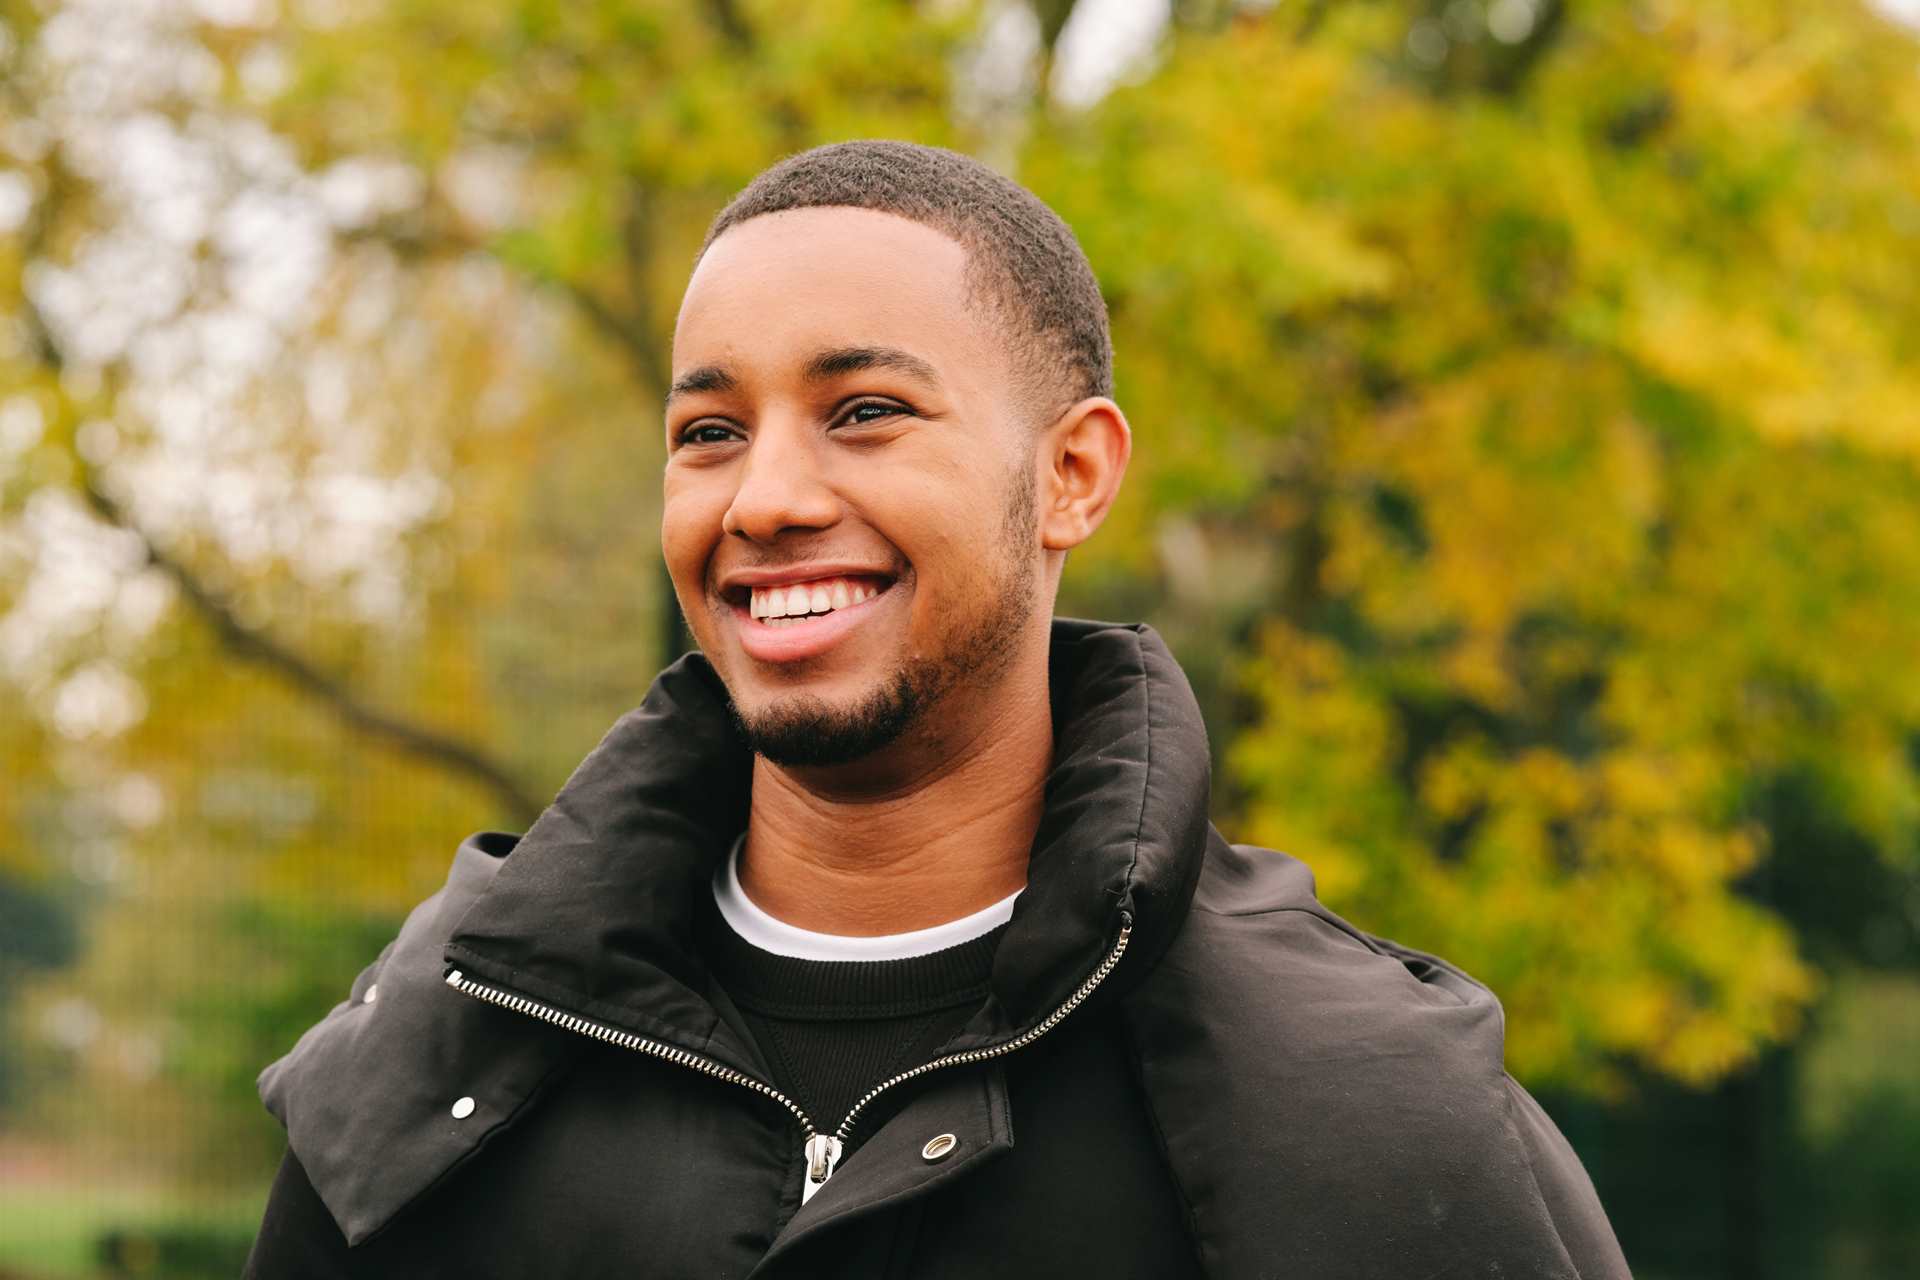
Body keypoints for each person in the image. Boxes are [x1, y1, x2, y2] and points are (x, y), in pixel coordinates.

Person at [243, 139, 1632, 1279]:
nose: (767, 497)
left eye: (864, 413)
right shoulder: (443, 1065)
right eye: (709, 432)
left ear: (1075, 475)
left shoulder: (1371, 1117)